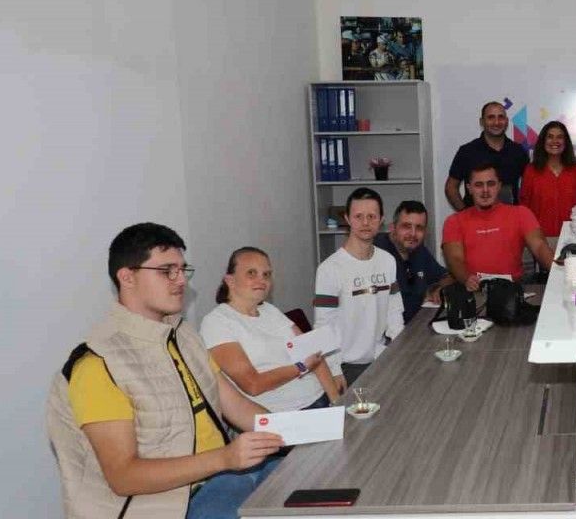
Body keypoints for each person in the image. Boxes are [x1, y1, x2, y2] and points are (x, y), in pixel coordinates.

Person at [47, 223, 285, 519]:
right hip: (173, 503)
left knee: (313, 484)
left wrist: (301, 429)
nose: (180, 280)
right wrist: (225, 458)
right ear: (127, 277)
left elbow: (237, 407)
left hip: (224, 478)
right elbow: (124, 477)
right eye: (166, 271)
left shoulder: (182, 335)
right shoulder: (98, 363)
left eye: (182, 270)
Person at [201, 247, 342, 414]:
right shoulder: (217, 322)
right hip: (285, 414)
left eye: (266, 274)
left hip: (320, 398)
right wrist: (301, 367)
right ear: (230, 280)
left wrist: (337, 403)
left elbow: (313, 354)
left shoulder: (269, 310)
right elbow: (253, 384)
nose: (261, 280)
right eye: (251, 273)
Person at [313, 187, 404, 386]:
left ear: (381, 220)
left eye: (372, 216)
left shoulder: (387, 261)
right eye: (358, 216)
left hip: (381, 357)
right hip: (345, 366)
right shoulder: (329, 269)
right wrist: (334, 371)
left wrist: (400, 352)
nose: (365, 222)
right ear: (347, 219)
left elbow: (394, 312)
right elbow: (324, 326)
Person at [442, 163, 555, 291]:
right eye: (478, 185)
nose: (485, 190)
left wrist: (560, 271)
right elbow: (455, 260)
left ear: (499, 186)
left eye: (491, 184)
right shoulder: (454, 221)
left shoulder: (521, 214)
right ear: (469, 188)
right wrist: (467, 278)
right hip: (473, 291)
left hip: (513, 291)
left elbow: (540, 247)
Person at [374, 200, 451, 323]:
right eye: (406, 226)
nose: (413, 234)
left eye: (419, 228)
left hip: (417, 325)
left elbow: (448, 277)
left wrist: (438, 288)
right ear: (393, 228)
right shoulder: (376, 252)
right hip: (388, 330)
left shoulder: (419, 250)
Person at [445, 101, 529, 210]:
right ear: (482, 122)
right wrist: (464, 214)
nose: (496, 122)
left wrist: (523, 215)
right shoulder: (467, 151)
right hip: (476, 218)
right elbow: (451, 187)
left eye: (501, 117)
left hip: (510, 218)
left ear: (507, 121)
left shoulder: (518, 151)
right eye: (491, 117)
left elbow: (530, 187)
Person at [519, 120, 576, 246]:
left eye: (559, 137)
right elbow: (524, 207)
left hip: (573, 239)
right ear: (543, 141)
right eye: (550, 137)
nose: (555, 141)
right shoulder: (531, 171)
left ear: (565, 142)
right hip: (539, 240)